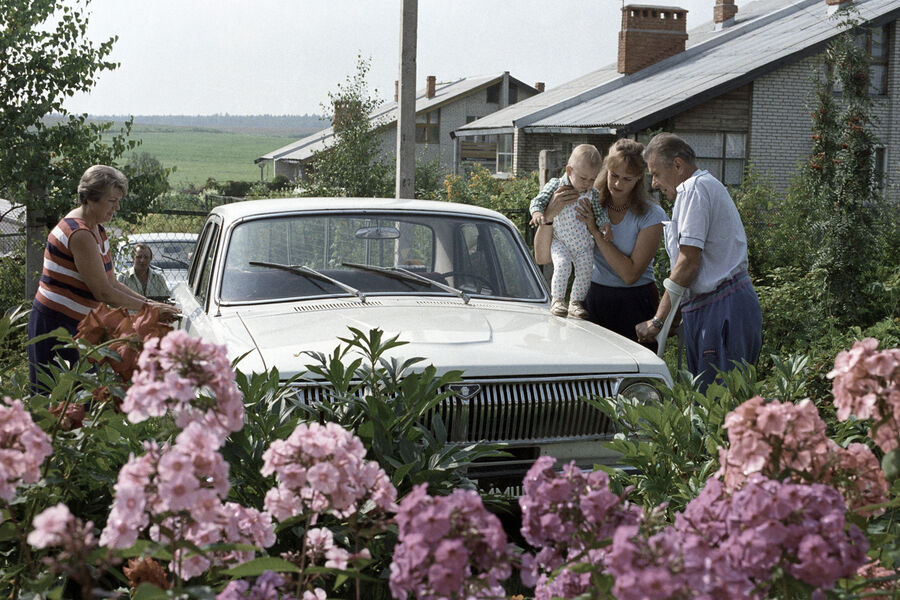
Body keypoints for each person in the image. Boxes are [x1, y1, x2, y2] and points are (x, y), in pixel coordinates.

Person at [27, 165, 179, 390]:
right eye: (111, 201)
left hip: (79, 326)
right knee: (57, 400)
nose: (117, 207)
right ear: (89, 198)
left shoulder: (97, 229)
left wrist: (150, 305)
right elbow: (103, 292)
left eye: (118, 201)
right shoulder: (80, 233)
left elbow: (111, 282)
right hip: (56, 325)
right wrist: (150, 311)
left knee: (82, 396)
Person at [636, 133, 762, 389]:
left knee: (717, 408)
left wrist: (658, 321)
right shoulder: (700, 188)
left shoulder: (694, 189)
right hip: (718, 307)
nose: (654, 183)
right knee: (712, 406)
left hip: (723, 309)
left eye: (656, 174)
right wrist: (673, 316)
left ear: (678, 166)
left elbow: (688, 262)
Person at [534, 139, 665, 346]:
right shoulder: (587, 198)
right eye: (613, 175)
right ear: (605, 171)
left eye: (627, 179)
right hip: (593, 296)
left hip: (635, 301)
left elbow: (630, 275)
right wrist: (549, 215)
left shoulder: (651, 214)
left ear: (639, 178)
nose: (617, 184)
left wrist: (594, 230)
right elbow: (542, 257)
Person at [529, 144, 610, 318]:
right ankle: (558, 300)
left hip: (583, 244)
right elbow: (538, 201)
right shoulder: (556, 185)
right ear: (569, 170)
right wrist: (537, 213)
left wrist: (605, 224)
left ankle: (575, 302)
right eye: (583, 178)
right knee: (563, 265)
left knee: (586, 269)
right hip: (560, 241)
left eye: (592, 179)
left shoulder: (592, 193)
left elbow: (599, 212)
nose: (587, 184)